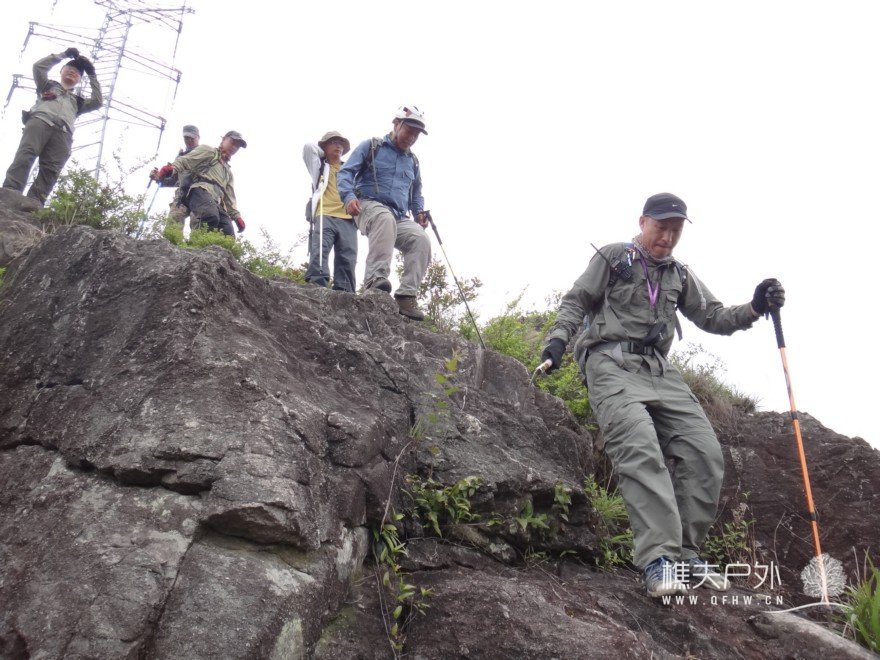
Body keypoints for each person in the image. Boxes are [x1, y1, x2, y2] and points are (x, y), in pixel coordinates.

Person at [540, 193, 785, 599]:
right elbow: (576, 300)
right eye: (661, 227)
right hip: (610, 363)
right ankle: (659, 559)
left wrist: (756, 307)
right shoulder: (614, 257)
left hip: (658, 370)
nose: (668, 237)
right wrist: (557, 342)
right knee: (640, 447)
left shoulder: (679, 275)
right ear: (643, 222)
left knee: (704, 451)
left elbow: (713, 316)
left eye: (676, 230)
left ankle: (686, 554)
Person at [337, 106, 431, 320]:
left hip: (398, 215)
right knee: (384, 218)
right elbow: (345, 172)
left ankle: (406, 296)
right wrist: (348, 197)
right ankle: (374, 280)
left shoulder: (413, 162)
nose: (412, 137)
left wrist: (419, 212)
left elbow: (416, 193)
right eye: (409, 131)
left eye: (416, 135)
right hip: (367, 205)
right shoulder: (372, 146)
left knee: (420, 239)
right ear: (396, 124)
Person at [3, 48, 103, 205]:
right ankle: (10, 192)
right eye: (69, 68)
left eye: (77, 72)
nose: (72, 72)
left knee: (51, 170)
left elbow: (97, 101)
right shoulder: (47, 85)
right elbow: (38, 67)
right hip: (40, 121)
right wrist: (64, 55)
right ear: (61, 71)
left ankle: (34, 202)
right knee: (26, 155)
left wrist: (92, 74)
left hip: (64, 133)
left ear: (79, 80)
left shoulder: (78, 101)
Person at [155, 130, 247, 237]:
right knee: (209, 216)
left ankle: (213, 246)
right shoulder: (209, 151)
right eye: (232, 142)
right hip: (199, 190)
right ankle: (195, 244)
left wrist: (236, 217)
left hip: (215, 200)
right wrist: (171, 168)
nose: (234, 147)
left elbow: (229, 197)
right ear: (223, 139)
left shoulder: (228, 173)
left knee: (227, 231)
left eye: (237, 146)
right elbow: (186, 160)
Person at [303, 131, 357, 292]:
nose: (338, 146)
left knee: (347, 255)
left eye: (341, 144)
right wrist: (324, 153)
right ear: (325, 146)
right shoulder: (320, 166)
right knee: (320, 249)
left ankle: (345, 291)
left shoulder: (350, 169)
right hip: (324, 213)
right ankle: (317, 284)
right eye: (333, 142)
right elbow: (308, 148)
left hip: (348, 217)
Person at [150, 124, 200, 227]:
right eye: (186, 138)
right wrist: (159, 178)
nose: (189, 141)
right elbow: (174, 180)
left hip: (200, 193)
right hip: (182, 193)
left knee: (199, 224)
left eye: (192, 138)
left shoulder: (205, 153)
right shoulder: (181, 157)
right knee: (173, 222)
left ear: (198, 137)